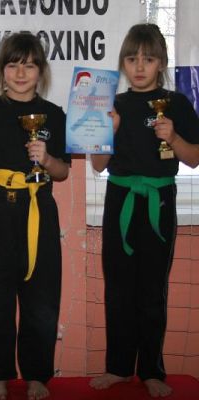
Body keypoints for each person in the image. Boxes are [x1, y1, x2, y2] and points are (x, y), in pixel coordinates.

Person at [89, 23, 199, 398]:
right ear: (122, 63)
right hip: (120, 199)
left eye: (148, 59)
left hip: (159, 199)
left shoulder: (176, 103)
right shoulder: (112, 105)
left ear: (161, 63)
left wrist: (174, 137)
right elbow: (97, 165)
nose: (139, 67)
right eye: (132, 59)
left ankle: (152, 370)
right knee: (118, 288)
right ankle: (119, 368)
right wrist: (109, 131)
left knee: (152, 288)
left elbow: (194, 158)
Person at [0, 32, 71, 400]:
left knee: (42, 298)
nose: (21, 73)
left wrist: (47, 158)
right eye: (13, 65)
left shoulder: (54, 115)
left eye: (29, 65)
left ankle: (37, 374)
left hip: (39, 210)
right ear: (1, 70)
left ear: (41, 70)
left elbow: (63, 172)